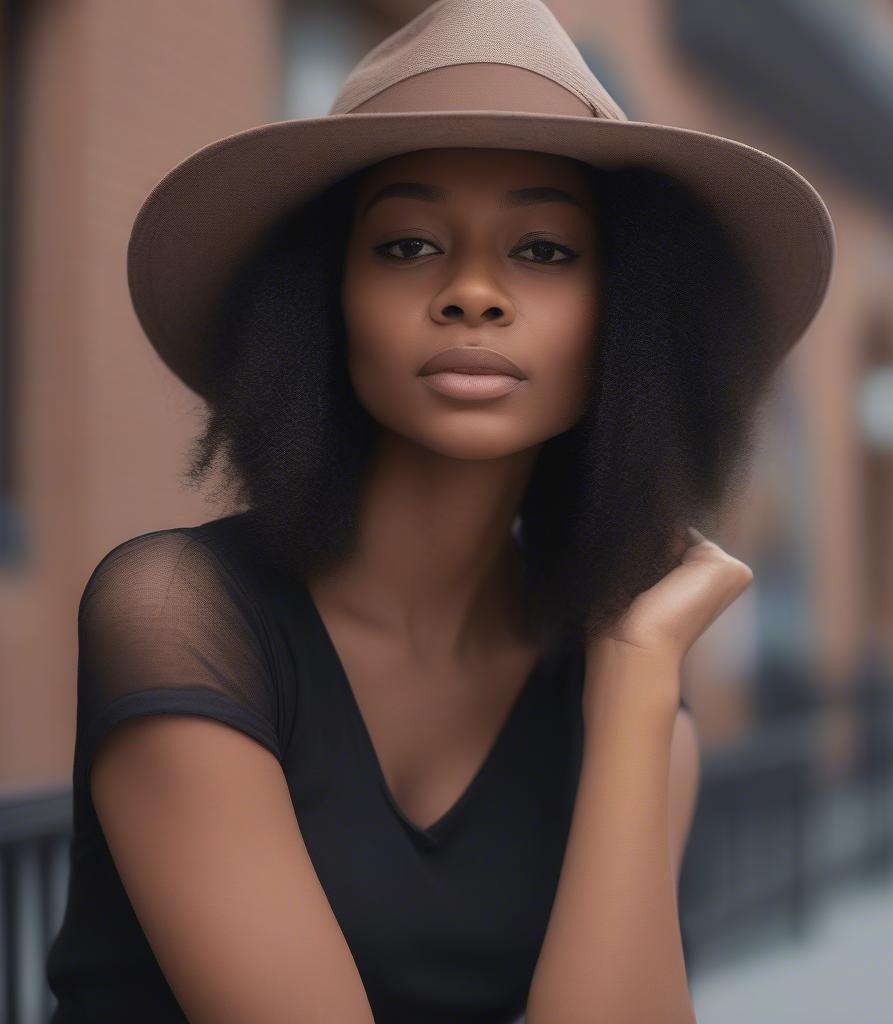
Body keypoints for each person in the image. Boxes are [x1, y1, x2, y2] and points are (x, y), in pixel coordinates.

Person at [45, 1, 835, 1021]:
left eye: (543, 251)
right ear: (322, 299)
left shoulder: (625, 692)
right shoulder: (177, 618)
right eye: (408, 245)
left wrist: (639, 680)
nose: (471, 292)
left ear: (626, 323)